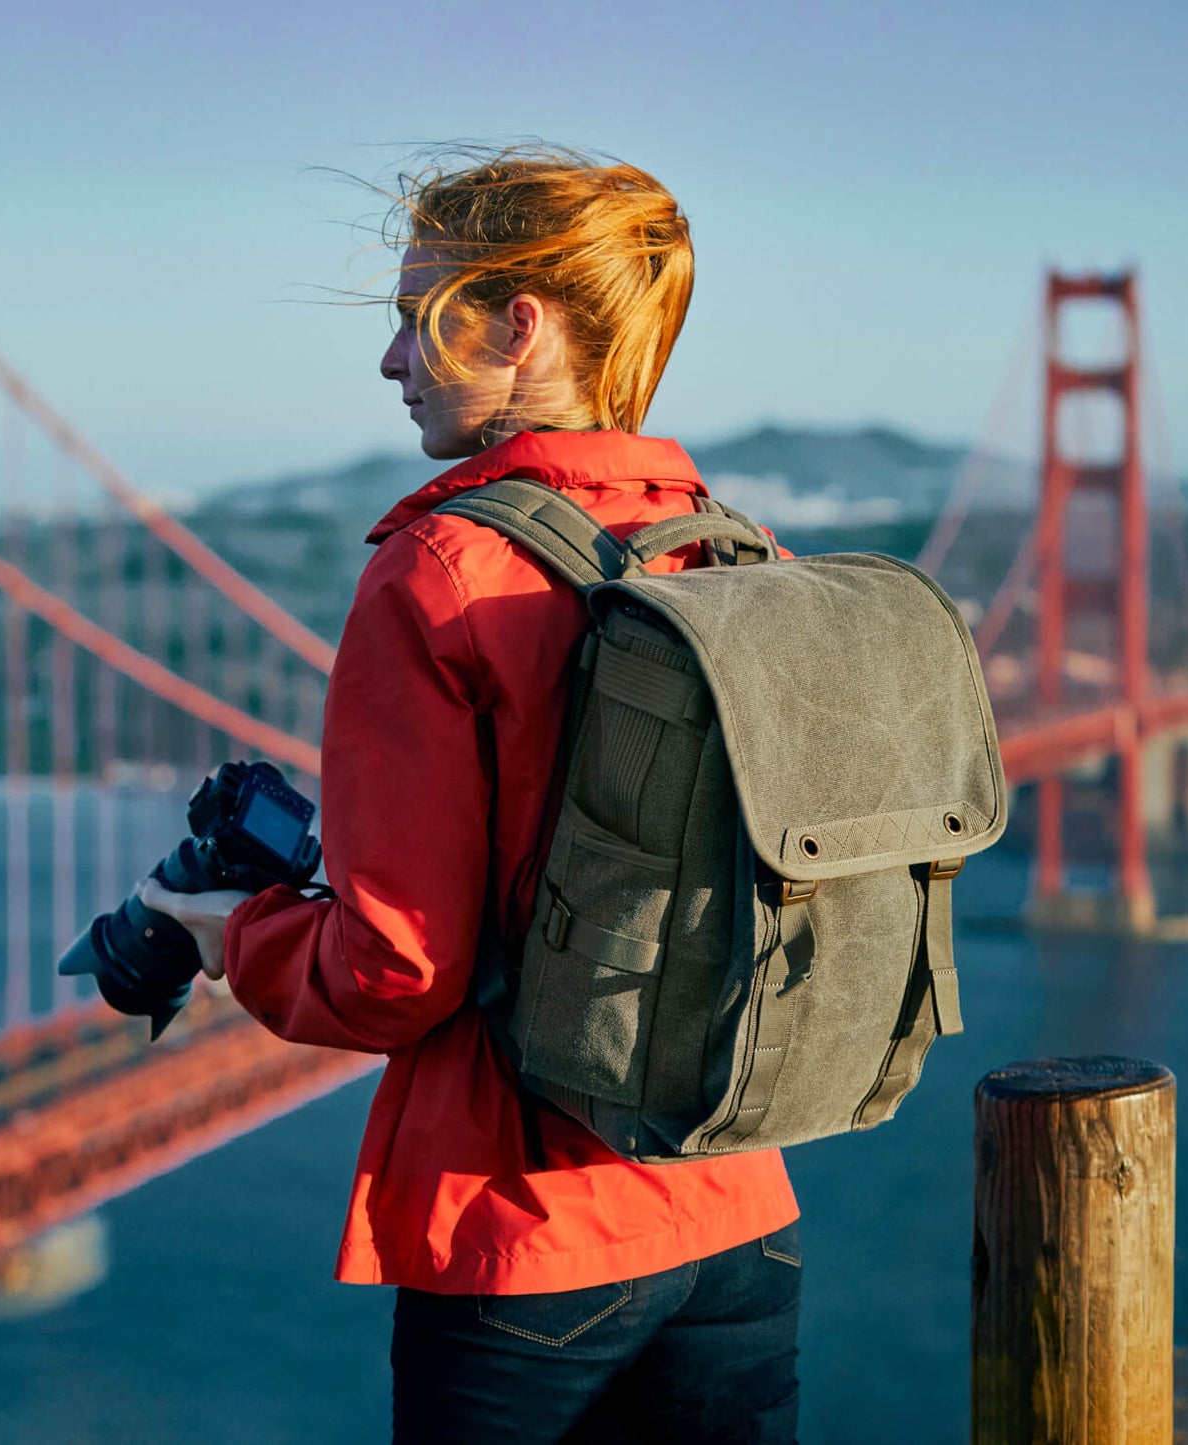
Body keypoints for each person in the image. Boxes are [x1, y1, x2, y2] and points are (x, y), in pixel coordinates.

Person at [142, 147, 802, 1444]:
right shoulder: (735, 545)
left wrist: (239, 937)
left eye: (412, 317)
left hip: (524, 1231)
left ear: (517, 325)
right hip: (737, 1208)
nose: (390, 362)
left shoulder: (441, 568)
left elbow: (398, 970)